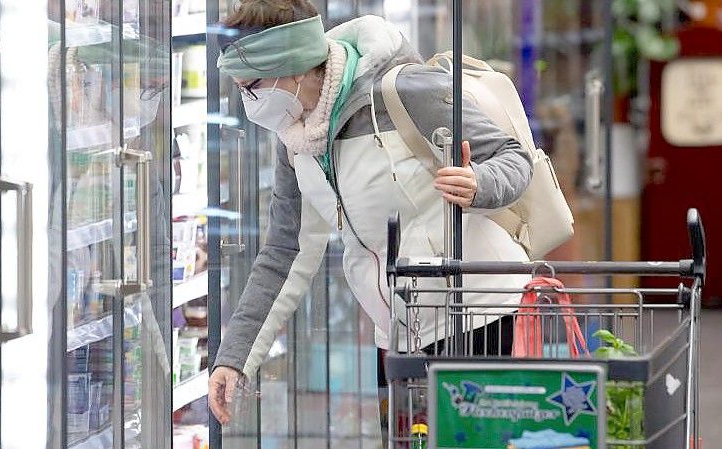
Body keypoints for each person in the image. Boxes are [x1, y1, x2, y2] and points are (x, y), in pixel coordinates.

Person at [208, 0, 533, 428]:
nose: (248, 101)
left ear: (292, 66)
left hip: (476, 311)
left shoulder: (405, 91)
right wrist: (235, 357)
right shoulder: (296, 140)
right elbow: (285, 252)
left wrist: (479, 184)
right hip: (398, 332)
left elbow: (514, 158)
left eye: (252, 86)